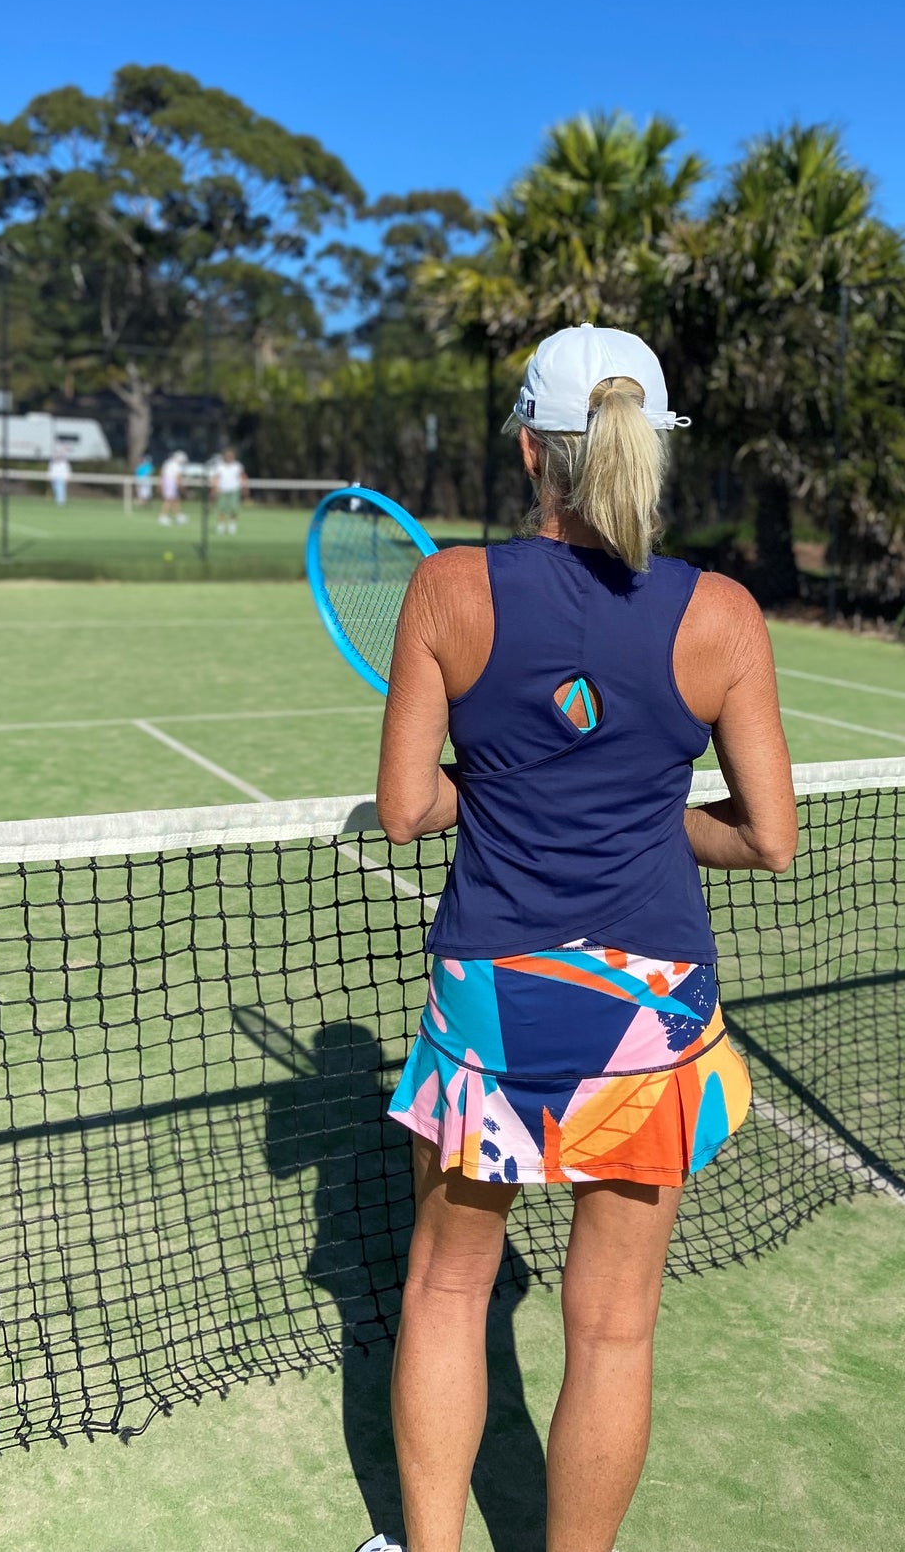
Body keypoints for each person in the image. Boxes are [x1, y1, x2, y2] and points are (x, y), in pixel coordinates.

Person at [368, 323, 797, 1552]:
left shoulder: (449, 589)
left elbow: (405, 808)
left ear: (526, 451)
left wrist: (493, 786)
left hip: (493, 994)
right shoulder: (720, 614)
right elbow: (769, 838)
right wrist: (652, 811)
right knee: (612, 1328)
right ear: (651, 452)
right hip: (647, 1003)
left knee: (447, 1290)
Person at [209, 446, 249, 535]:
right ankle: (221, 526)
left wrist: (245, 488)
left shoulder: (237, 466)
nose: (229, 457)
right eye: (227, 455)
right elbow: (216, 479)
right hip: (222, 490)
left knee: (233, 509)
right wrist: (214, 489)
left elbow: (243, 477)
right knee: (221, 509)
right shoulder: (219, 466)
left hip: (234, 490)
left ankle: (232, 525)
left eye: (231, 456)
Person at [158, 450, 187, 526]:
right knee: (169, 500)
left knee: (175, 499)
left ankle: (178, 515)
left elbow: (162, 474)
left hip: (167, 483)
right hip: (170, 484)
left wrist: (160, 484)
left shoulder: (167, 463)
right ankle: (163, 516)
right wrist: (182, 486)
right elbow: (178, 477)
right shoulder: (175, 465)